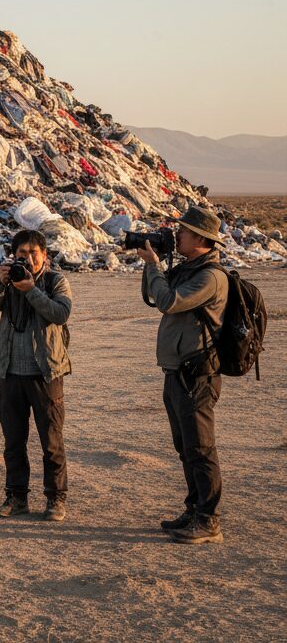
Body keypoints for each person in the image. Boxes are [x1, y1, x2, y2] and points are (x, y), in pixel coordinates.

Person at [137, 206, 228, 544]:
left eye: (184, 232)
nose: (177, 235)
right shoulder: (189, 268)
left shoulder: (210, 277)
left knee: (201, 447)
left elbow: (168, 302)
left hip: (197, 375)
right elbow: (153, 294)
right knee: (185, 446)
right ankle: (194, 509)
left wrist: (154, 265)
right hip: (176, 372)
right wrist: (154, 263)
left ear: (201, 239)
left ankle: (208, 519)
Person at [0, 229, 72, 522]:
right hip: (10, 373)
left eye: (34, 253)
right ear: (13, 255)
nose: (28, 258)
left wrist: (30, 289)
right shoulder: (7, 282)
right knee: (13, 441)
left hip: (45, 374)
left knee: (51, 440)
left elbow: (60, 313)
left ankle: (55, 499)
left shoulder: (56, 280)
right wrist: (0, 283)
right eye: (22, 254)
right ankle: (16, 497)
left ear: (45, 255)